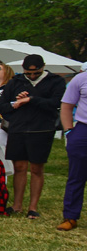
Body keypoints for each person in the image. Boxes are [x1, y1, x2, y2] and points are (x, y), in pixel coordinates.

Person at [0, 55, 66, 218]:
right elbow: (3, 106)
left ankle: (33, 207)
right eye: (29, 73)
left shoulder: (55, 81)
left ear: (43, 67)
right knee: (19, 167)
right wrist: (16, 103)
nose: (32, 76)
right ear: (23, 69)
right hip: (18, 129)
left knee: (37, 168)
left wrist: (32, 99)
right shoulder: (15, 82)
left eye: (36, 73)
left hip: (42, 130)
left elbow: (56, 103)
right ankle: (17, 205)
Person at [58, 63, 87, 230]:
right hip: (82, 130)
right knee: (77, 175)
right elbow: (67, 106)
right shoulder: (80, 79)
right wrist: (69, 131)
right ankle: (70, 217)